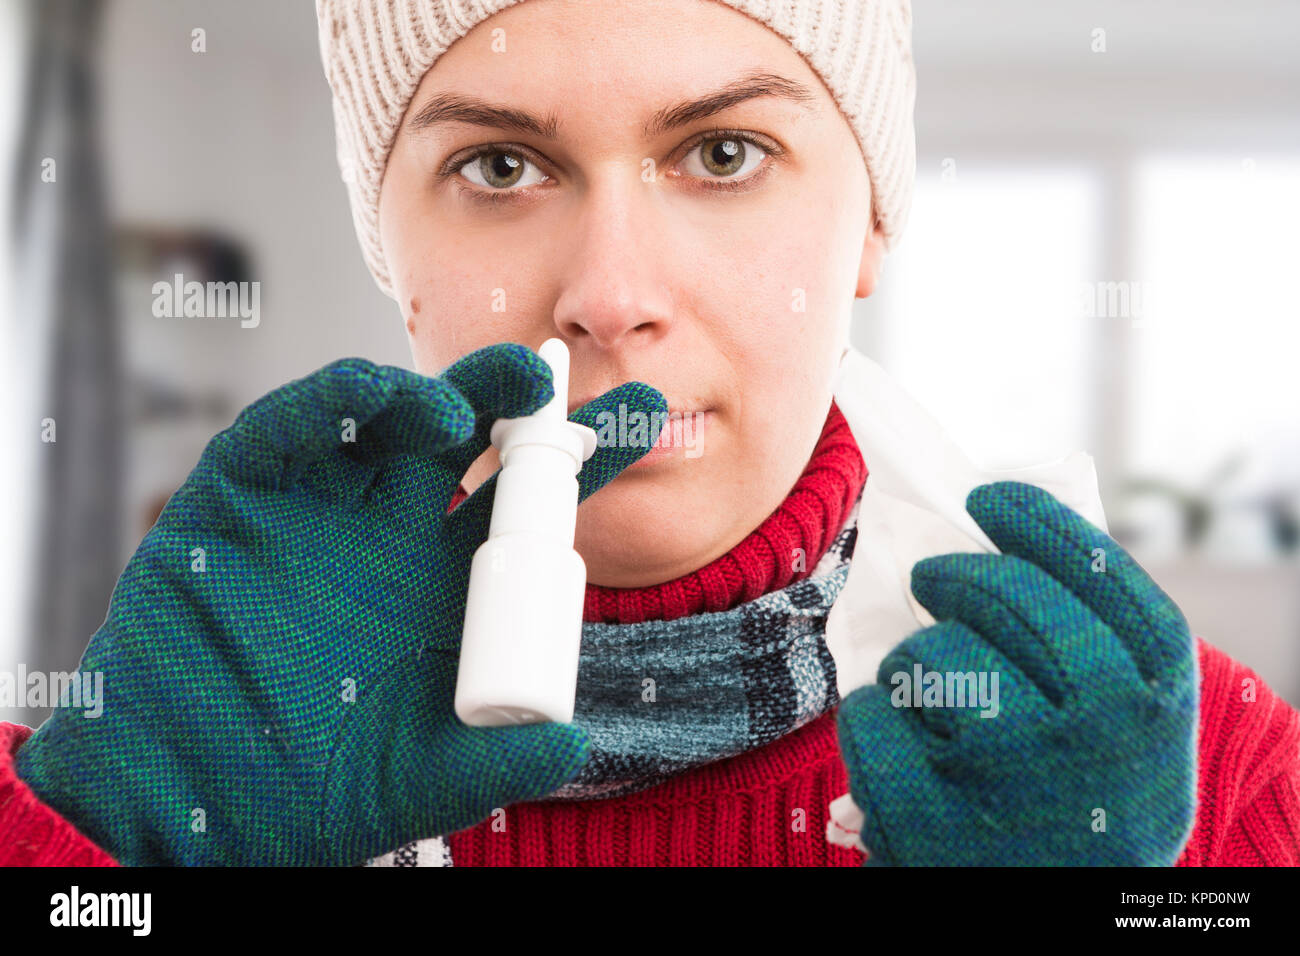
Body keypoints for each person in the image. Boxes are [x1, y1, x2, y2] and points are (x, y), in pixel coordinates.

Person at [2, 0, 1297, 867]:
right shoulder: (137, 757)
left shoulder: (1201, 778)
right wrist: (101, 858)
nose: (611, 295)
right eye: (501, 169)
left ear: (871, 230)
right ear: (393, 254)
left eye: (724, 153)